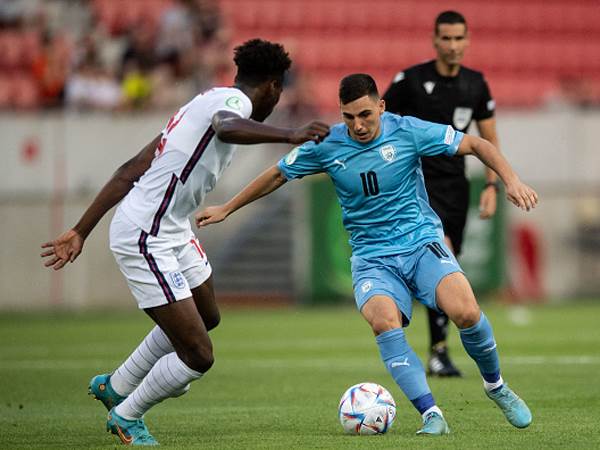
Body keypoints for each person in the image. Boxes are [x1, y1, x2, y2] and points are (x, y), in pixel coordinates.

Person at [197, 74, 537, 435]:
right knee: (384, 322)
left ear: (381, 107)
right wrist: (227, 208)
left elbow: (476, 145)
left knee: (466, 313)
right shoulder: (327, 144)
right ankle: (431, 414)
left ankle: (496, 387)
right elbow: (278, 174)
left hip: (420, 242)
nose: (358, 125)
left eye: (365, 115)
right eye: (348, 117)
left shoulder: (407, 130)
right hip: (372, 257)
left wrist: (510, 181)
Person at [40, 39, 329, 446]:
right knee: (199, 354)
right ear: (272, 87)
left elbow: (131, 169)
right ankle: (127, 415)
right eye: (278, 91)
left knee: (207, 316)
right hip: (145, 233)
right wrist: (290, 133)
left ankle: (118, 384)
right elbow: (226, 126)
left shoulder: (202, 103)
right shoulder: (232, 108)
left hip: (172, 227)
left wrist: (80, 230)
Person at [383, 10, 501, 377]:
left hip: (456, 188)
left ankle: (437, 350)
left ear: (467, 41)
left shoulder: (476, 84)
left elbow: (489, 139)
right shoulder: (410, 82)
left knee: (447, 266)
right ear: (435, 40)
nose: (452, 46)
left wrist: (493, 186)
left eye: (458, 38)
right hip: (416, 188)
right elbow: (381, 124)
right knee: (442, 254)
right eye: (445, 39)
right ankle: (437, 352)